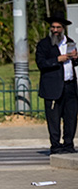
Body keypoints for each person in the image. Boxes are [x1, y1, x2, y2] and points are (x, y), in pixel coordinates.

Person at [35, 12, 78, 154]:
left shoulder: (70, 42)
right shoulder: (44, 44)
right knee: (53, 119)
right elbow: (41, 63)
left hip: (69, 86)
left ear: (63, 28)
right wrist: (58, 59)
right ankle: (55, 145)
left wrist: (76, 58)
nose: (55, 30)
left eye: (58, 27)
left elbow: (74, 62)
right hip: (52, 88)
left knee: (70, 117)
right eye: (53, 27)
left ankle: (68, 144)